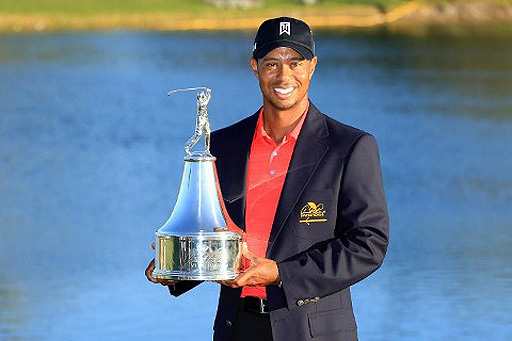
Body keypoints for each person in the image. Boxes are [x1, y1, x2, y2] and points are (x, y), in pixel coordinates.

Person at [145, 17, 389, 341]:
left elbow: (368, 244)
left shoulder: (350, 147)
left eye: (295, 62)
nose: (283, 75)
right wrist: (177, 267)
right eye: (272, 63)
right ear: (254, 67)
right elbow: (213, 235)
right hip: (238, 327)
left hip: (313, 331)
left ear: (312, 66)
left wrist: (279, 274)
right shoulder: (223, 146)